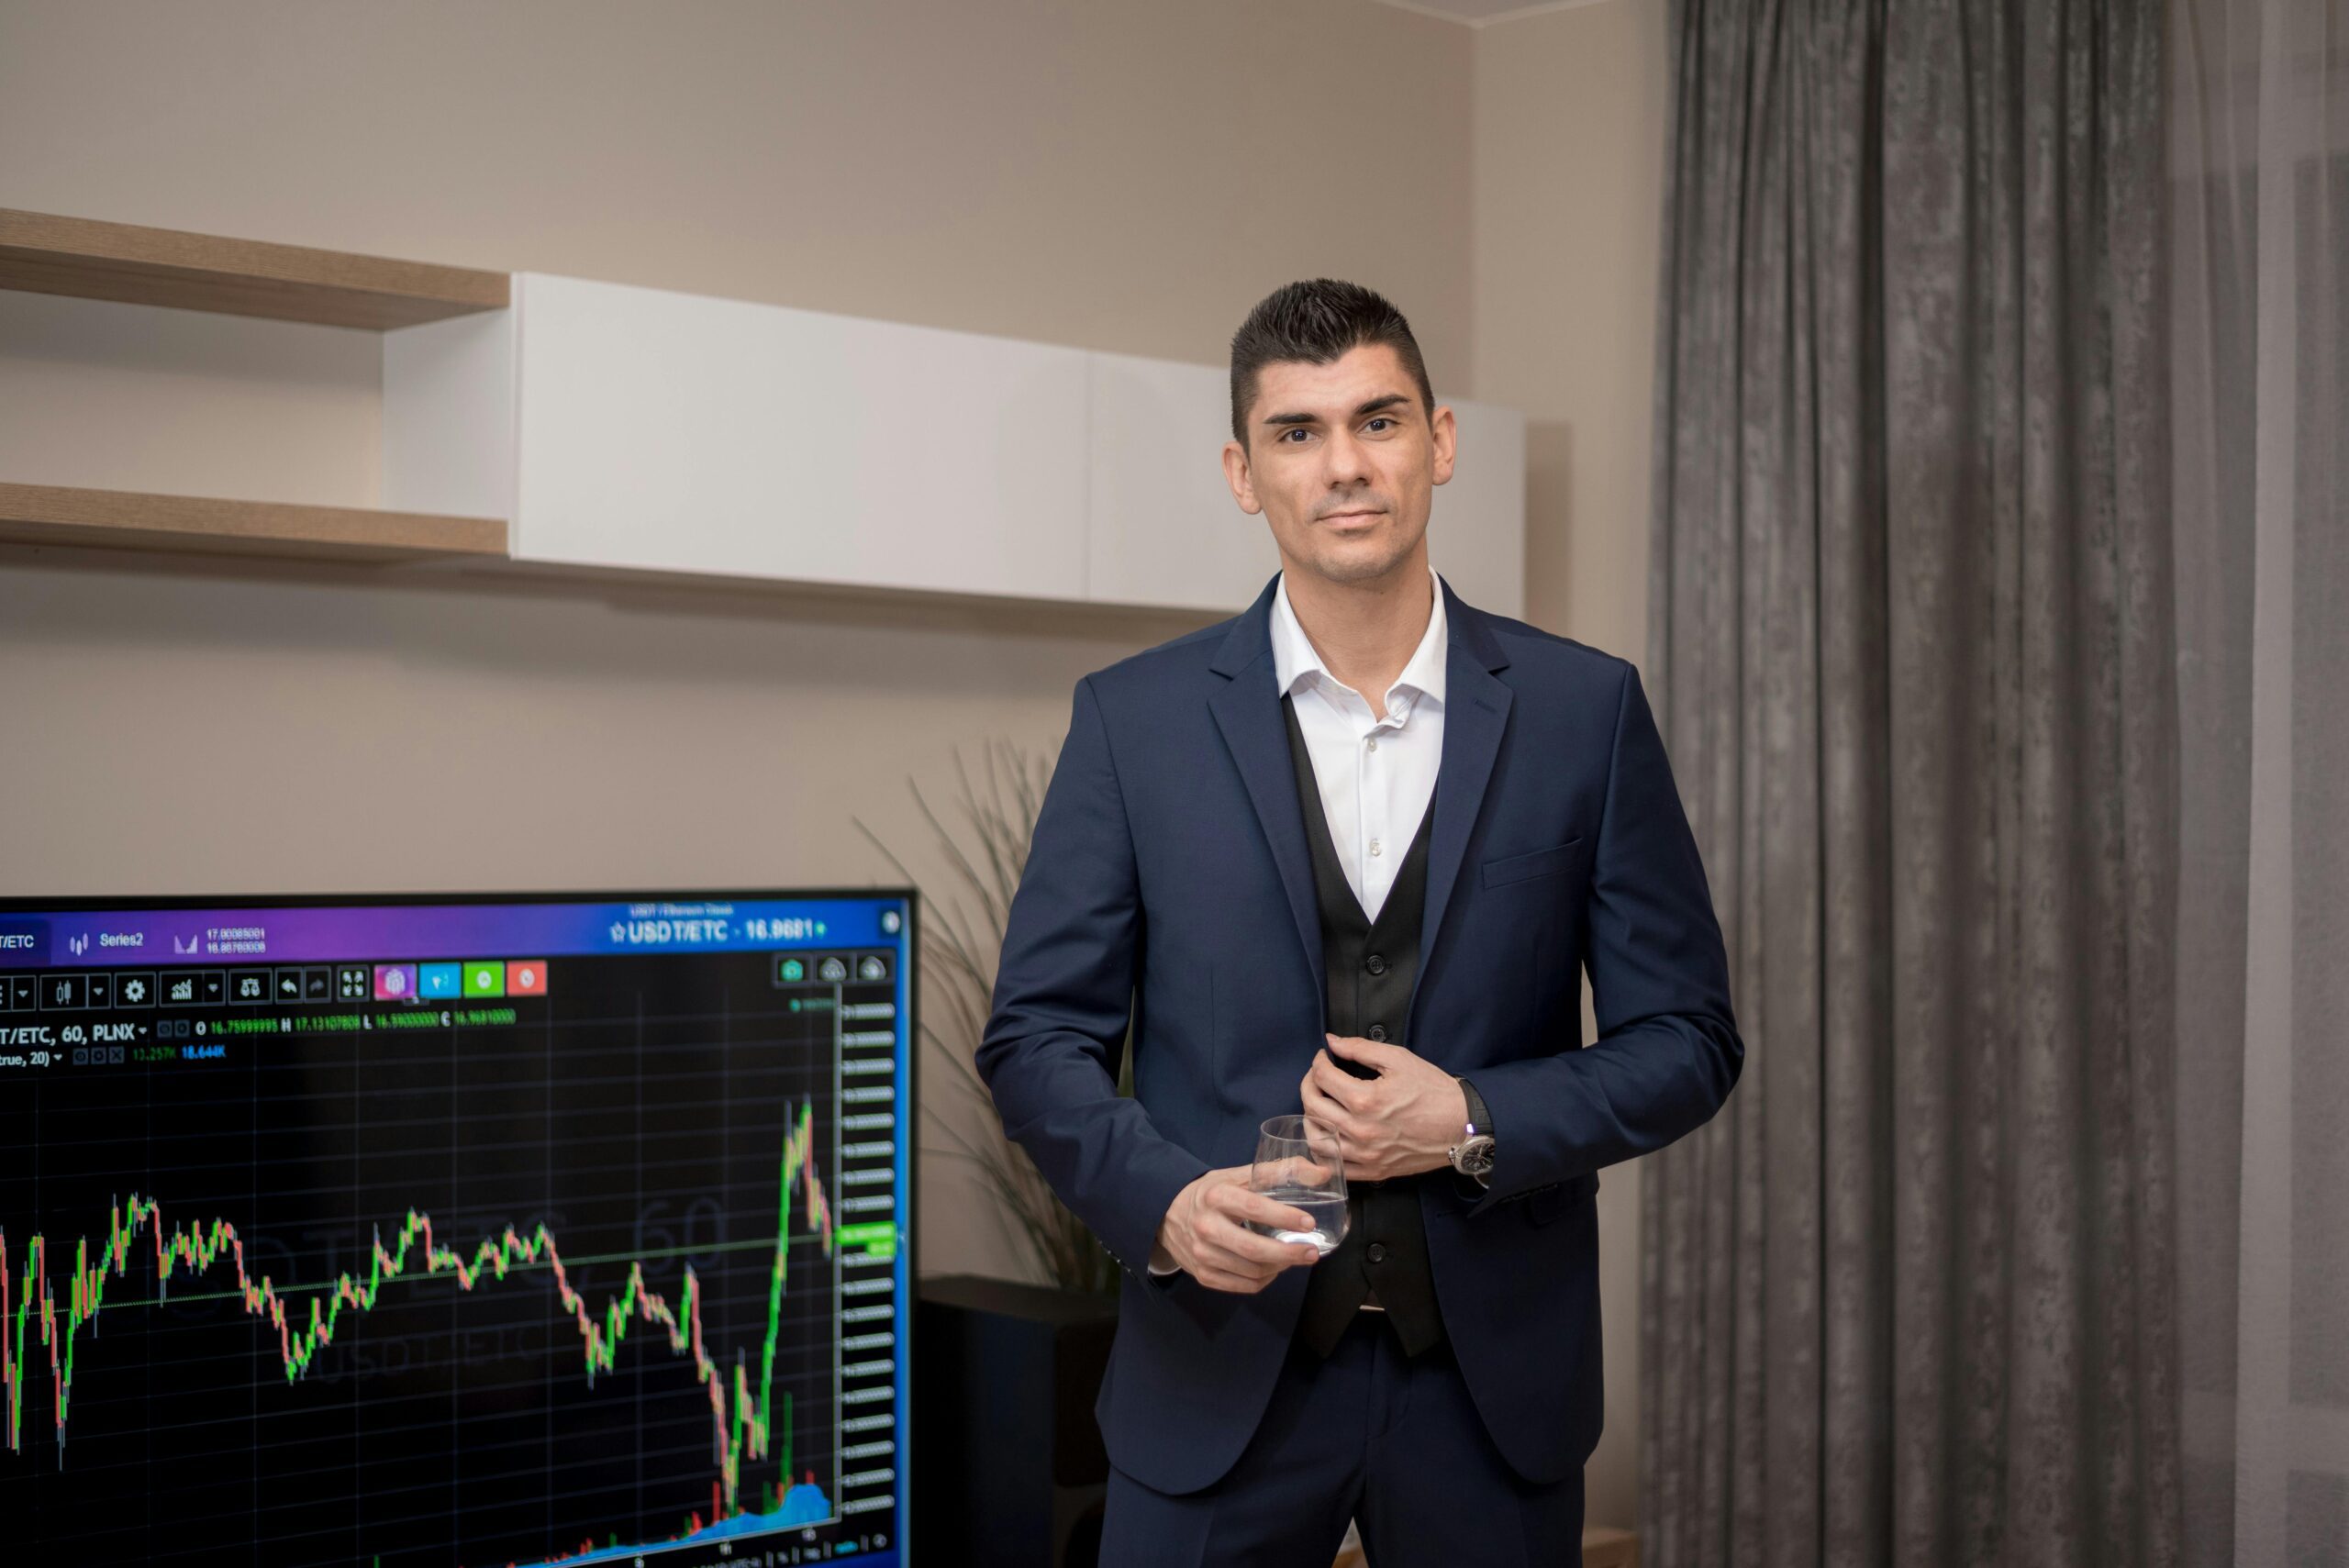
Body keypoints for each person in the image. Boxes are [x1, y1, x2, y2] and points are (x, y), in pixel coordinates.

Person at [977, 278, 1742, 1564]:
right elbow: (1035, 1036)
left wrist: (1475, 1119)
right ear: (1243, 470)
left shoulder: (1583, 711)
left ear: (1438, 442)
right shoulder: (1135, 723)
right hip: (1215, 1387)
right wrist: (1162, 1201)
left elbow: (1691, 1038)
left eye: (1377, 421)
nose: (1344, 465)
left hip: (1491, 1393)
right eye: (1297, 432)